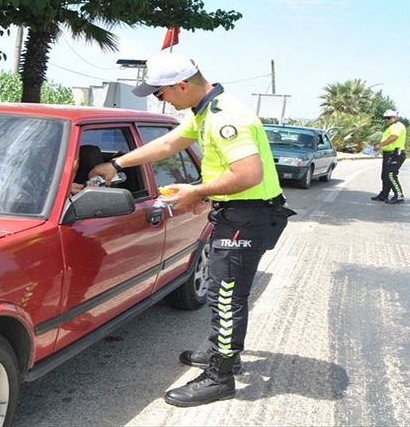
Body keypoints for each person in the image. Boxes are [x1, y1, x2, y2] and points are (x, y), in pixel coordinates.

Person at [89, 52, 294, 407]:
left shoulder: (227, 118)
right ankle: (221, 350)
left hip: (247, 216)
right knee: (223, 291)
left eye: (160, 93)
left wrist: (196, 191)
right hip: (236, 213)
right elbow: (170, 144)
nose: (161, 100)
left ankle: (220, 375)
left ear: (181, 85)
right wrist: (116, 164)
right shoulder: (205, 111)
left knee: (226, 296)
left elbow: (248, 175)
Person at [371, 109, 407, 204]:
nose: (386, 120)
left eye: (388, 118)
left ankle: (399, 195)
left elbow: (394, 137)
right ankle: (384, 194)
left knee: (391, 175)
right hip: (388, 154)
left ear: (395, 118)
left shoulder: (397, 126)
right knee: (385, 176)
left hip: (395, 154)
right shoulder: (391, 127)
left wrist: (380, 145)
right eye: (385, 118)